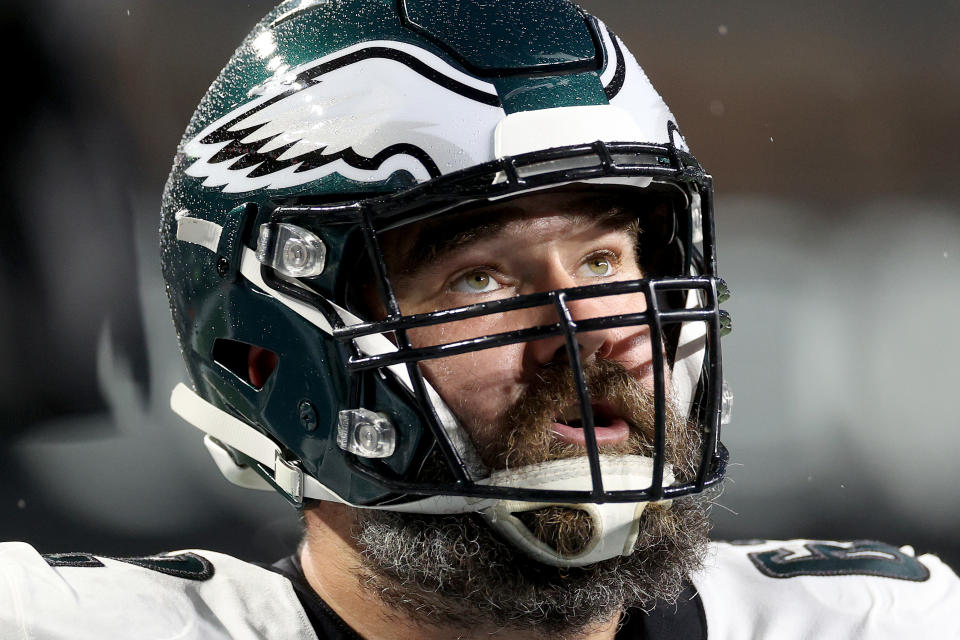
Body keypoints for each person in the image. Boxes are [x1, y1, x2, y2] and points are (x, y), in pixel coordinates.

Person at [1, 1, 957, 638]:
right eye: (479, 281)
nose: (592, 333)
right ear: (272, 355)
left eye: (603, 259)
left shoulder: (872, 622)